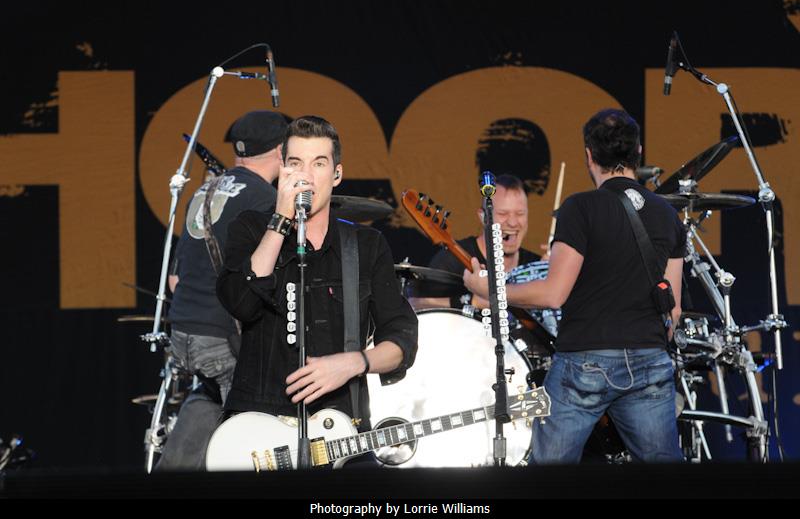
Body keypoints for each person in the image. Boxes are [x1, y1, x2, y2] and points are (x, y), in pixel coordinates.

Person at [464, 108, 685, 463]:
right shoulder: (667, 215)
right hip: (649, 358)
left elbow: (553, 294)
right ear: (638, 152)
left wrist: (491, 290)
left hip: (585, 361)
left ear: (589, 155)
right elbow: (672, 309)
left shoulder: (580, 208)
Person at [215, 115, 418, 454]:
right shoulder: (250, 229)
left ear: (336, 174)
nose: (306, 175)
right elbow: (242, 303)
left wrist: (353, 363)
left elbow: (402, 340)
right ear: (282, 169)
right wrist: (280, 221)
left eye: (318, 163)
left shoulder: (366, 245)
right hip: (258, 432)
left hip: (342, 430)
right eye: (296, 163)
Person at [156, 111, 288, 470]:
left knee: (211, 394)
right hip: (220, 337)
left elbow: (175, 280)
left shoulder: (205, 190)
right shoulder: (265, 199)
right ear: (281, 151)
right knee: (249, 437)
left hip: (184, 332)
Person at [413, 174, 542, 312]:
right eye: (503, 213)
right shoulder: (451, 260)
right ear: (482, 216)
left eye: (520, 213)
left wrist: (548, 274)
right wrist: (470, 302)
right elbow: (415, 304)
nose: (512, 222)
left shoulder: (537, 266)